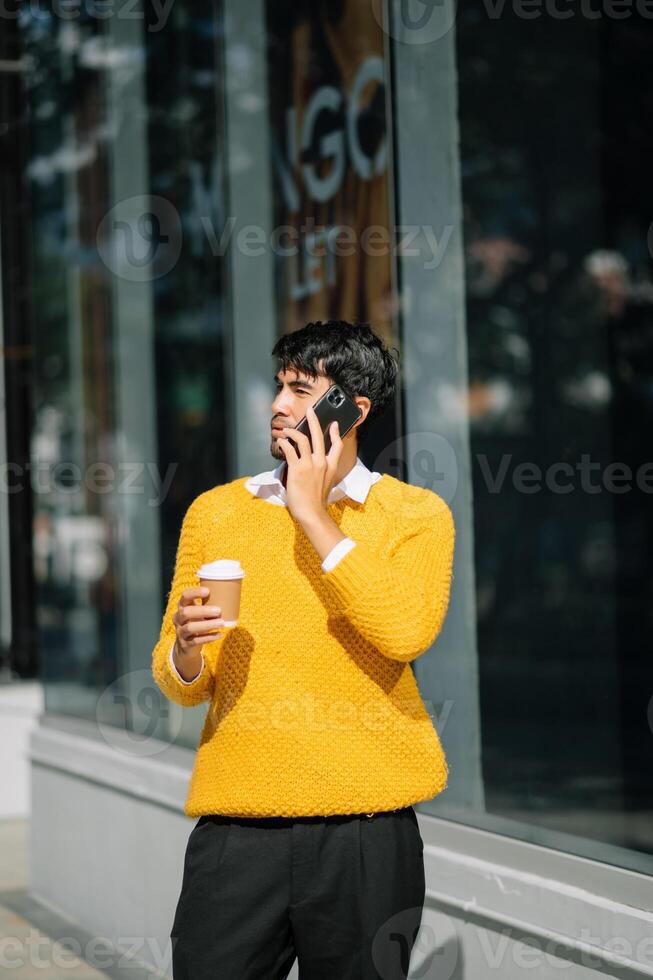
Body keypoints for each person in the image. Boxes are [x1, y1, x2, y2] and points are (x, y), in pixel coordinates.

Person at [151, 319, 456, 979]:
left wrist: (311, 515)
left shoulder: (416, 515)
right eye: (279, 386)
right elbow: (180, 682)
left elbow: (404, 632)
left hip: (366, 827)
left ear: (352, 408)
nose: (278, 405)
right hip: (239, 825)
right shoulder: (217, 512)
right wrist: (184, 648)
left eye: (299, 388)